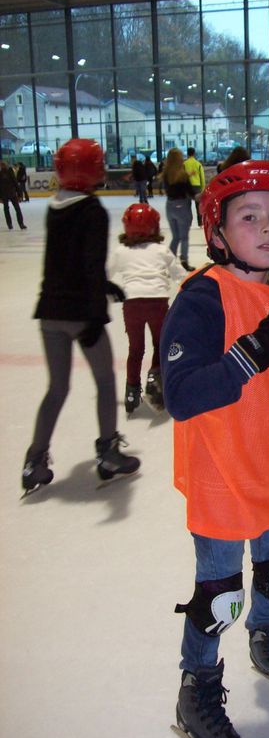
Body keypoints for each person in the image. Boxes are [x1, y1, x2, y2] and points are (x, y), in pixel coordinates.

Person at [160, 160, 269, 738]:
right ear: (219, 228)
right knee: (220, 595)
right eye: (249, 216)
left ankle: (268, 643)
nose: (267, 228)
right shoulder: (202, 297)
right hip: (223, 475)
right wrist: (252, 351)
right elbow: (180, 394)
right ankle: (195, 688)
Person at [21, 139, 140, 496]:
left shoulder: (56, 207)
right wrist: (94, 316)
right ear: (91, 168)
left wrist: (105, 285)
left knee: (57, 387)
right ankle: (108, 455)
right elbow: (88, 265)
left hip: (50, 313)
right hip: (79, 313)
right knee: (105, 381)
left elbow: (63, 263)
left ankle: (34, 461)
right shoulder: (92, 210)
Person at [107, 203, 187, 416]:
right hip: (157, 303)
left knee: (136, 349)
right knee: (160, 344)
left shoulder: (121, 251)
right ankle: (155, 375)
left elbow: (104, 275)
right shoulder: (162, 250)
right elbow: (181, 276)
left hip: (132, 304)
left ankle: (132, 390)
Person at [161, 147, 196, 272]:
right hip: (182, 207)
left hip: (170, 206)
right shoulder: (183, 175)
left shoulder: (165, 175)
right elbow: (191, 193)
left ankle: (169, 262)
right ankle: (184, 260)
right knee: (184, 237)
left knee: (176, 237)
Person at [0, 160, 26, 230]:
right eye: (2, 165)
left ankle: (20, 224)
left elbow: (15, 183)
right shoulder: (1, 173)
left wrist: (20, 195)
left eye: (3, 165)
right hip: (5, 194)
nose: (3, 166)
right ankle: (10, 224)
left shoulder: (10, 171)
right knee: (7, 209)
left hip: (11, 194)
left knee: (16, 209)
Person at [183, 147, 205, 227]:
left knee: (187, 206)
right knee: (198, 205)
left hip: (187, 186)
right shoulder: (198, 164)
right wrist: (203, 187)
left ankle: (188, 222)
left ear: (187, 154)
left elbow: (182, 175)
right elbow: (202, 176)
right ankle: (200, 223)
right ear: (194, 153)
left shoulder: (184, 164)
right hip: (197, 186)